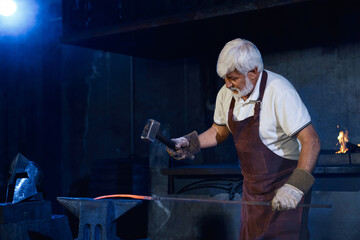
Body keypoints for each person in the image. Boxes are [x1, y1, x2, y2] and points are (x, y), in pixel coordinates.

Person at [167, 38, 321, 240]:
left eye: (233, 78)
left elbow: (312, 141)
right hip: (253, 192)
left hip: (285, 189)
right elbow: (219, 131)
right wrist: (190, 143)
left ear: (254, 72)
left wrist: (295, 188)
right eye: (225, 78)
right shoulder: (227, 93)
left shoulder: (280, 92)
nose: (227, 84)